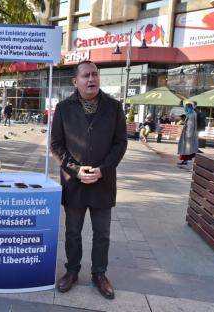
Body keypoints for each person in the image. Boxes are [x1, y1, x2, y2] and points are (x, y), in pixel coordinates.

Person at [51, 61, 127, 299]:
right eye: (86, 75)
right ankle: (72, 271)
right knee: (73, 231)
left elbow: (120, 143)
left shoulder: (114, 107)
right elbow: (56, 144)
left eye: (95, 74)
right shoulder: (63, 108)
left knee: (102, 233)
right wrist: (75, 169)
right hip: (74, 183)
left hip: (103, 182)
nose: (91, 79)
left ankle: (99, 274)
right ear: (76, 81)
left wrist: (103, 170)